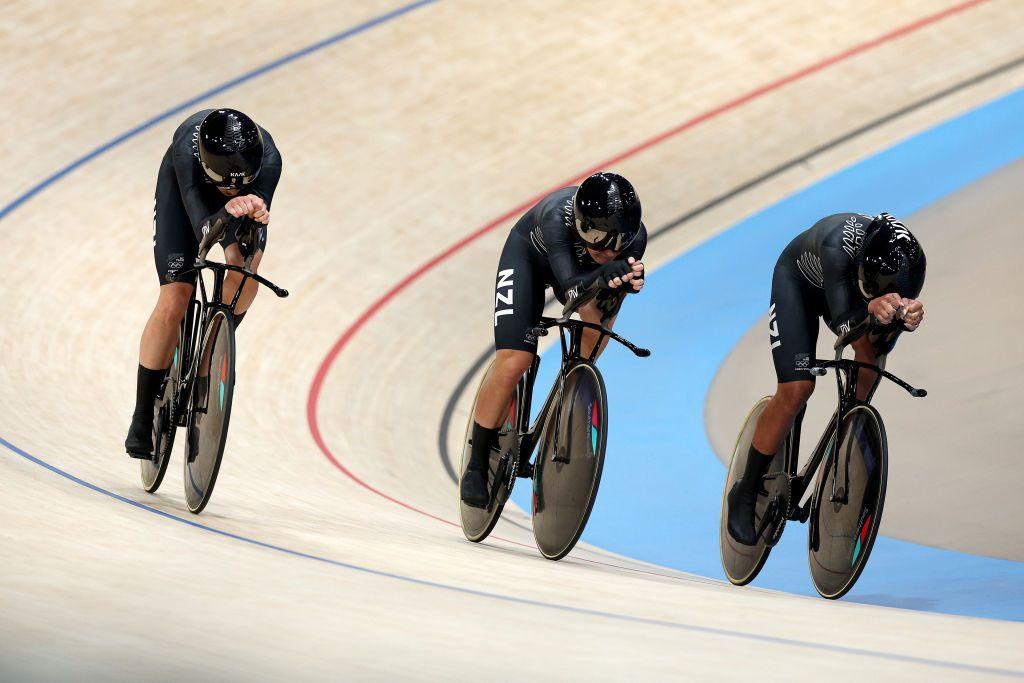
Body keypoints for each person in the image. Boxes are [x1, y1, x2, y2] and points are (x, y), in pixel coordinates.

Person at [727, 212, 926, 544]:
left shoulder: (907, 266)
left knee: (871, 354)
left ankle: (849, 427)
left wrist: (903, 320)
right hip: (800, 286)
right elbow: (845, 326)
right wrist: (874, 310)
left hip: (856, 295)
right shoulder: (837, 246)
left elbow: (876, 339)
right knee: (797, 389)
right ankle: (745, 490)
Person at [460, 172, 647, 507]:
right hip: (530, 260)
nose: (610, 250)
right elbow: (572, 291)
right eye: (601, 239)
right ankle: (476, 461)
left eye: (620, 241)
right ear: (581, 224)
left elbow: (599, 301)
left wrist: (623, 282)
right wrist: (604, 274)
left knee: (594, 333)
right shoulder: (554, 220)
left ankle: (567, 396)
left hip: (583, 278)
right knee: (515, 361)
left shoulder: (634, 239)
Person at [124, 108, 282, 458]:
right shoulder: (186, 152)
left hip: (241, 208)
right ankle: (140, 413)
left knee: (245, 271)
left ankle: (211, 351)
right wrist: (227, 209)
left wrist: (254, 208)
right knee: (176, 297)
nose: (230, 189)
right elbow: (204, 230)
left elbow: (256, 220)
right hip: (188, 202)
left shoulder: (270, 159)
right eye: (225, 183)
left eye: (237, 183)